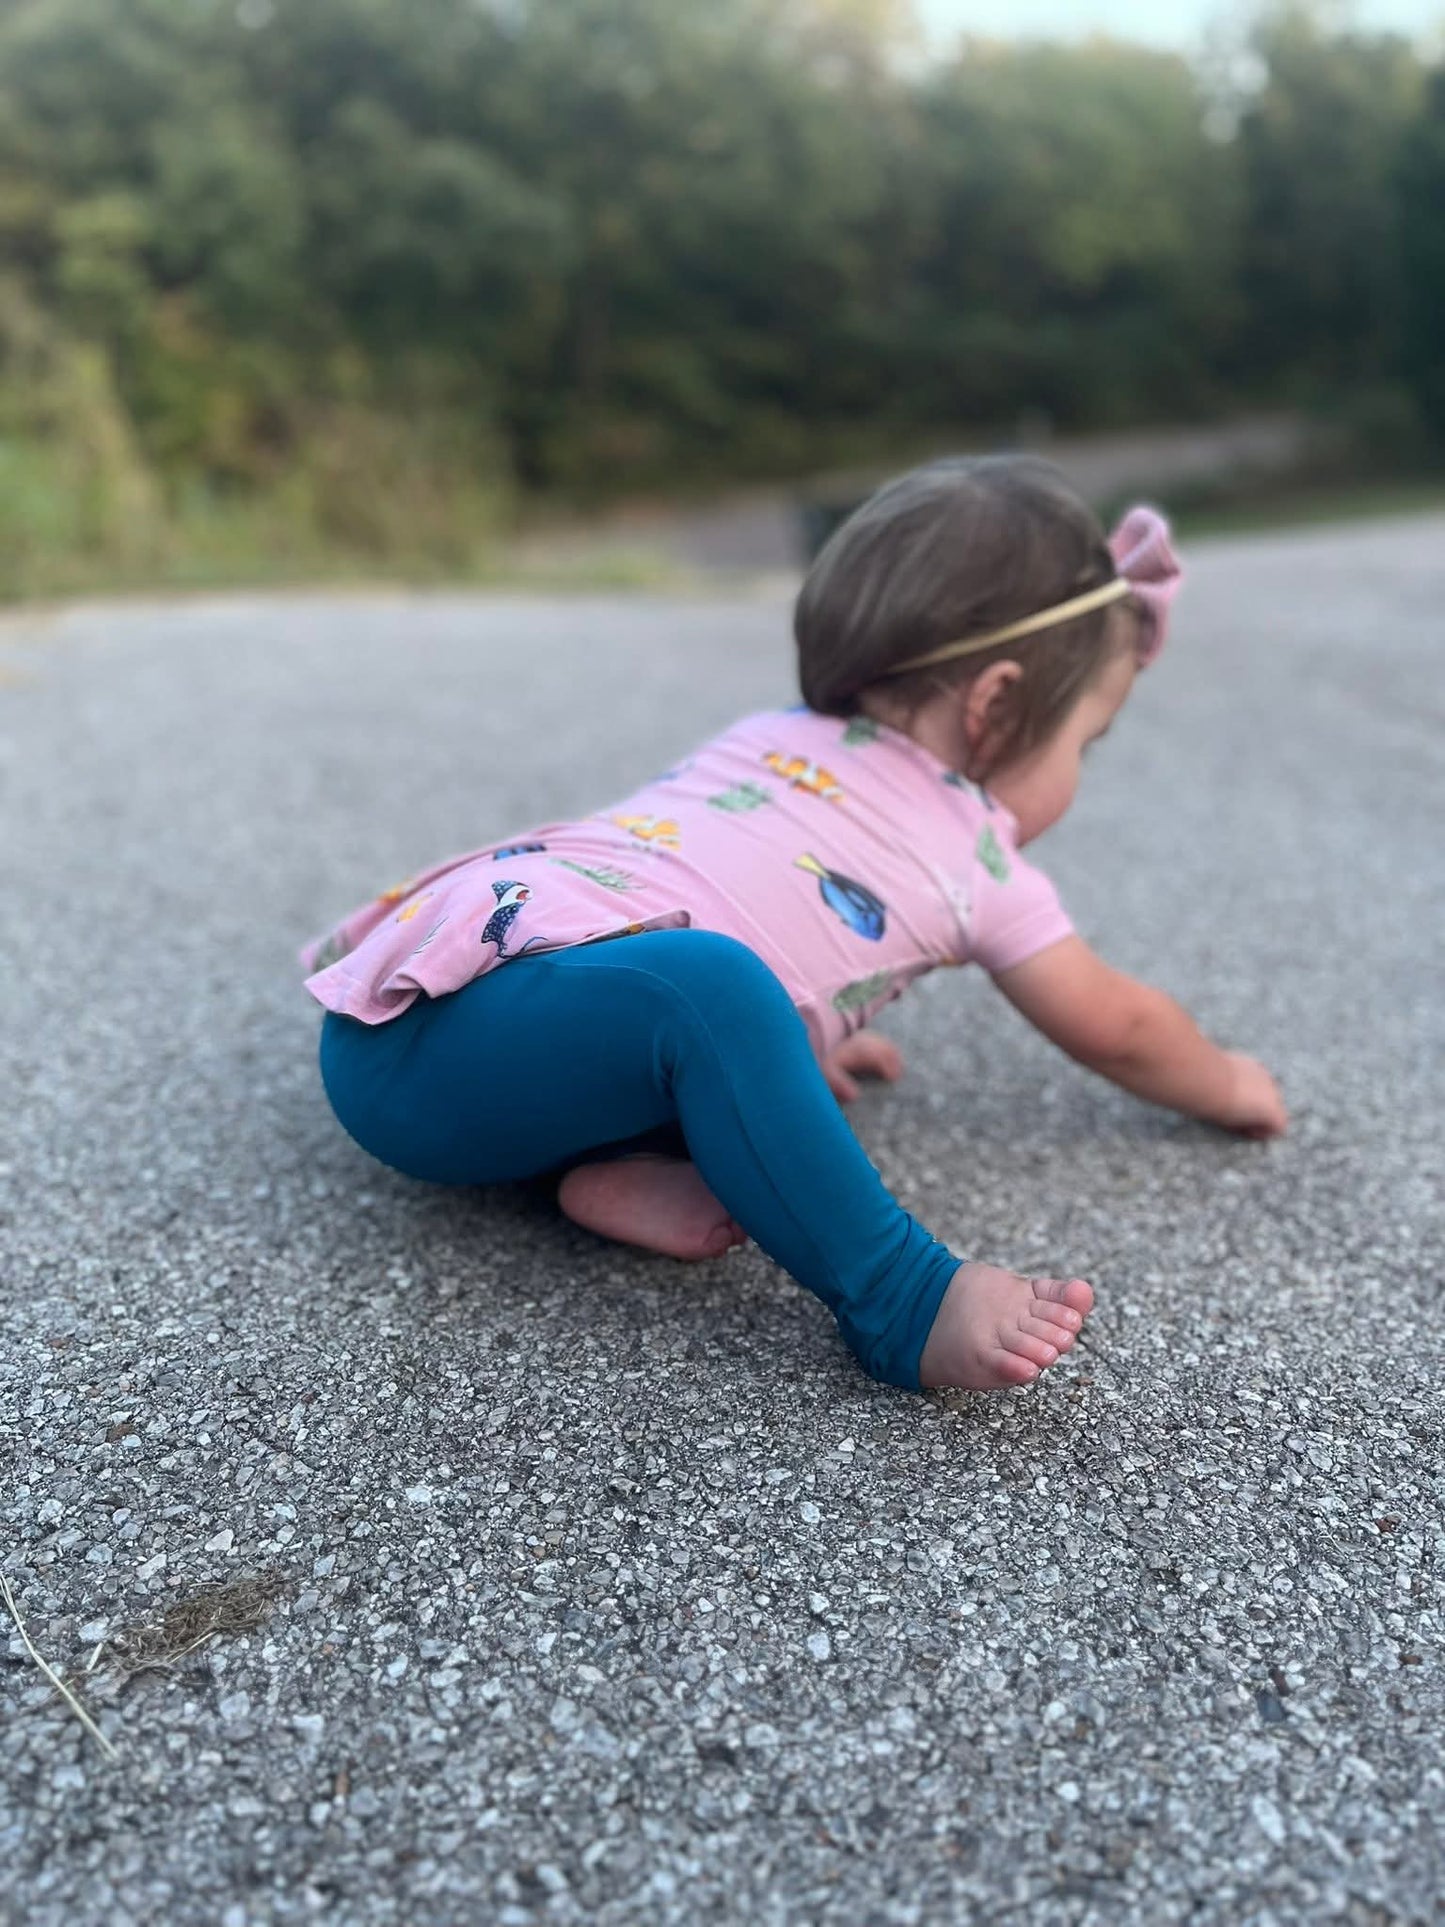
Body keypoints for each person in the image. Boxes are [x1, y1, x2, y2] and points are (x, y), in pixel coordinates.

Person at [301, 455, 1287, 1397]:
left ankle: (601, 1169)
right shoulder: (976, 858)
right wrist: (1226, 1080)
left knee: (714, 997)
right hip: (439, 1056)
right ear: (995, 706)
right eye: (1086, 740)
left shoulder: (771, 733)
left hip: (425, 1005)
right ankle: (897, 1299)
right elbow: (1118, 1024)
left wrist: (782, 1046)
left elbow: (711, 888)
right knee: (716, 989)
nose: (1080, 770)